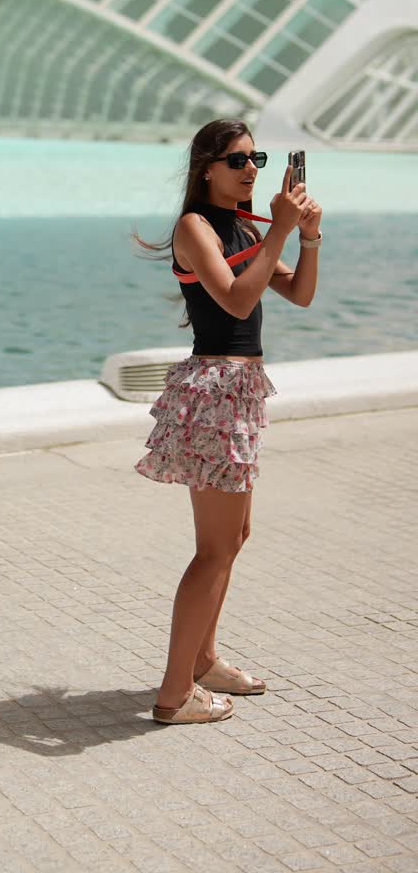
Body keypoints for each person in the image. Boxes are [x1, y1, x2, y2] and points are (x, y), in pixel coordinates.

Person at [132, 119, 321, 726]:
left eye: (256, 158)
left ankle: (204, 661)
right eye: (237, 160)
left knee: (233, 540)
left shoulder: (243, 224)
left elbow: (300, 294)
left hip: (237, 392)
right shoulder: (195, 226)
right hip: (212, 392)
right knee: (213, 550)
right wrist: (282, 232)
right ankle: (172, 695)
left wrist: (307, 238)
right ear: (206, 168)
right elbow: (236, 300)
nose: (250, 170)